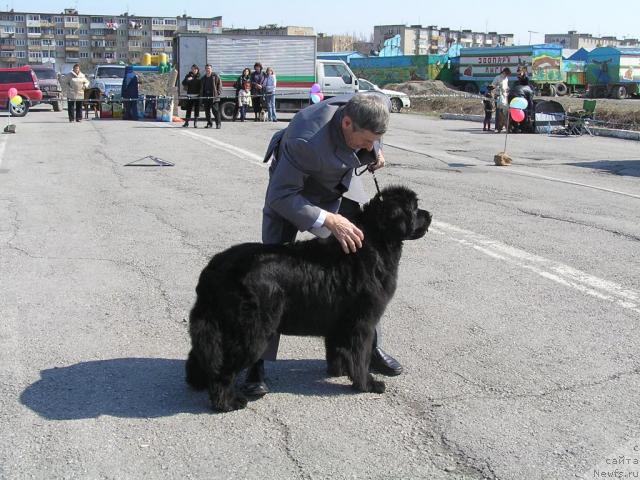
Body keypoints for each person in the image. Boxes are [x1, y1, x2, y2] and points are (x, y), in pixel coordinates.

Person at [242, 92, 403, 397]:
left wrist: (374, 150)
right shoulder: (306, 140)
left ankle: (366, 349)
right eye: (366, 140)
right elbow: (281, 195)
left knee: (364, 269)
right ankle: (255, 364)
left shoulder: (367, 109)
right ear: (346, 123)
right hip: (293, 192)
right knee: (272, 275)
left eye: (375, 140)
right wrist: (327, 220)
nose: (370, 146)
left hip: (339, 181)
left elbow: (372, 127)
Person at [200, 64, 222, 129]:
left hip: (214, 97)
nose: (208, 70)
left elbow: (220, 85)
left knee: (215, 111)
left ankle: (218, 124)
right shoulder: (203, 78)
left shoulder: (215, 76)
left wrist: (218, 93)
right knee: (207, 112)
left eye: (209, 68)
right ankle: (209, 124)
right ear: (205, 69)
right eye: (206, 68)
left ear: (211, 69)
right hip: (206, 96)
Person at [491, 67, 511, 133]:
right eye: (506, 74)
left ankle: (501, 126)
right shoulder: (497, 77)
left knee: (505, 112)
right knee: (498, 112)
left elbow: (506, 86)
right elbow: (492, 86)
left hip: (505, 97)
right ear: (504, 72)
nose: (506, 76)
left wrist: (508, 89)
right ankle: (497, 127)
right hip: (498, 96)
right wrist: (497, 88)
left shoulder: (506, 79)